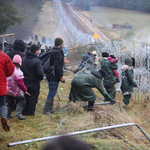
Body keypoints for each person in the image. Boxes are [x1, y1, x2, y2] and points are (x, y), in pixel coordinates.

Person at [43, 38, 65, 115]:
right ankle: (46, 111)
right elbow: (57, 66)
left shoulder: (53, 51)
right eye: (62, 43)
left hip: (50, 75)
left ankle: (50, 109)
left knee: (52, 91)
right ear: (60, 43)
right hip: (53, 75)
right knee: (52, 92)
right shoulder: (57, 52)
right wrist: (61, 76)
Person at [21, 44, 44, 116]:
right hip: (34, 83)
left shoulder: (23, 59)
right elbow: (40, 73)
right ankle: (31, 113)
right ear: (36, 51)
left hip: (24, 82)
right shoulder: (37, 61)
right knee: (33, 98)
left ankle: (24, 112)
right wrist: (41, 78)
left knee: (25, 97)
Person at [6, 55, 30, 120]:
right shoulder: (18, 72)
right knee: (22, 100)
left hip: (7, 90)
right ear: (20, 63)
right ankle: (17, 114)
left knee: (10, 103)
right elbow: (20, 83)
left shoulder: (8, 69)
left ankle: (7, 115)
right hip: (15, 91)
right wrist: (25, 90)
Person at [0, 50, 15, 132]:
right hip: (1, 85)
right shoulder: (4, 56)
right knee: (2, 104)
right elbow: (10, 71)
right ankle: (4, 117)